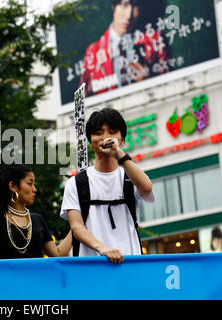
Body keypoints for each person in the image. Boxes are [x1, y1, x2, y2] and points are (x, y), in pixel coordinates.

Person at [60, 108, 154, 264]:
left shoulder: (129, 177)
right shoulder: (75, 183)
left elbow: (147, 188)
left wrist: (118, 154)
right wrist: (103, 249)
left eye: (112, 132)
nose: (105, 138)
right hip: (92, 269)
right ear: (90, 142)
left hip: (130, 265)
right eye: (98, 133)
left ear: (122, 139)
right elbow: (76, 227)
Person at [79, 0, 168, 97]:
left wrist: (148, 82)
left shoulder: (154, 41)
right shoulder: (93, 51)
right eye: (124, 5)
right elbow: (81, 100)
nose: (128, 15)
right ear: (114, 6)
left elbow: (169, 84)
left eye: (135, 6)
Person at [0, 164, 72, 259]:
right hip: (6, 273)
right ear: (13, 186)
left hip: (37, 273)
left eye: (34, 185)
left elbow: (57, 254)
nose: (35, 189)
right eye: (30, 184)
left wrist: (76, 226)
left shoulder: (37, 219)